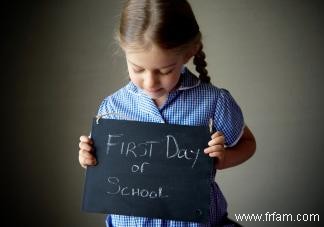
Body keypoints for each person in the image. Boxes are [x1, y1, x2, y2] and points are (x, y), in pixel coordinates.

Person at [78, 0, 256, 226]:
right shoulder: (112, 108)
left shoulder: (213, 102)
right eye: (138, 69)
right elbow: (104, 170)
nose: (150, 82)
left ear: (189, 52)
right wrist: (88, 160)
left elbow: (248, 142)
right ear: (124, 51)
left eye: (165, 70)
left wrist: (223, 159)